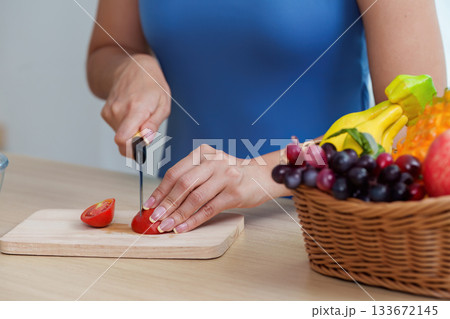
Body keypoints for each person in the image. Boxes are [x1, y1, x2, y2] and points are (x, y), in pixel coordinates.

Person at [87, 0, 446, 234]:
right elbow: (105, 53)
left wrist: (267, 171)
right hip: (179, 222)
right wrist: (130, 68)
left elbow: (420, 123)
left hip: (323, 230)